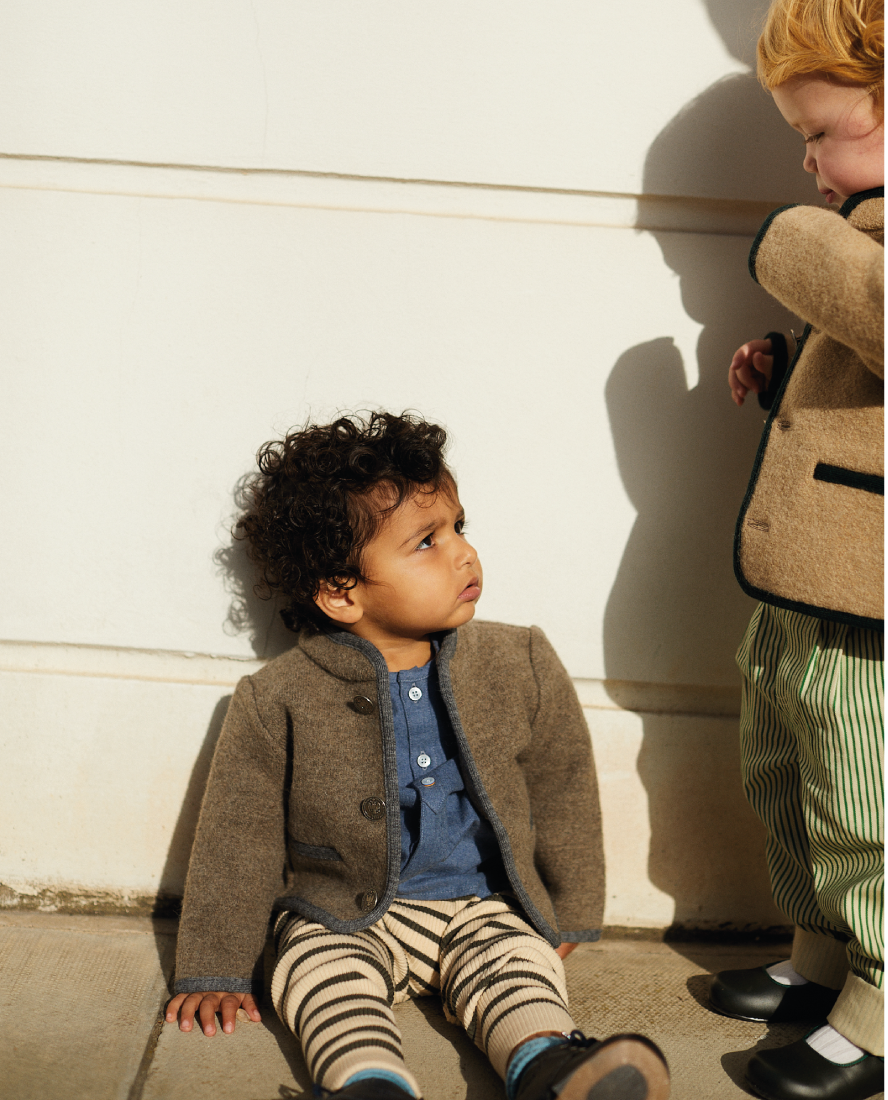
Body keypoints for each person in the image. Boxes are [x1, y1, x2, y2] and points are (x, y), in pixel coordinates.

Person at [165, 412, 671, 1100]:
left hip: (483, 903)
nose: (464, 553)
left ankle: (548, 1066)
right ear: (341, 591)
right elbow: (238, 836)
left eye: (459, 527)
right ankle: (368, 1082)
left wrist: (570, 906)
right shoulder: (278, 696)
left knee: (521, 970)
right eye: (427, 541)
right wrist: (217, 965)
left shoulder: (517, 659)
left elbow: (562, 784)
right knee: (320, 974)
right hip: (343, 914)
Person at [715, 2, 885, 1099]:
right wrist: (789, 366)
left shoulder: (845, 242)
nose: (809, 164)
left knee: (865, 794)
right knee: (787, 765)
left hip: (870, 596)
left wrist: (792, 239)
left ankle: (885, 998)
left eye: (823, 133)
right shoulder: (861, 232)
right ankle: (824, 955)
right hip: (804, 579)